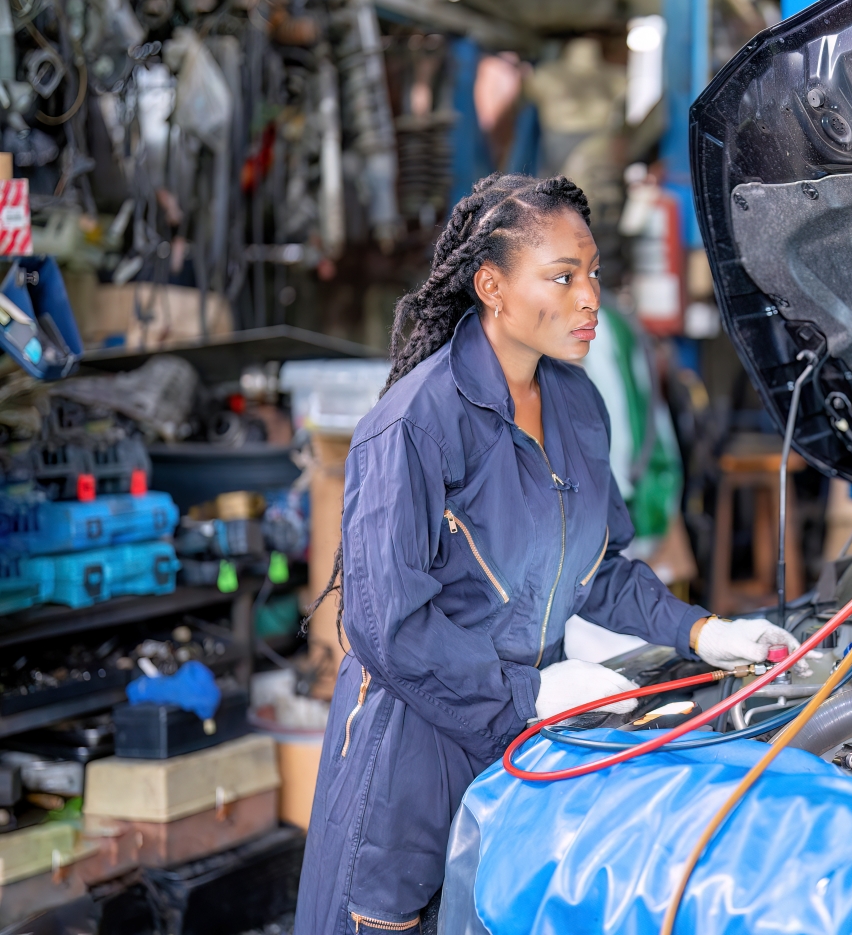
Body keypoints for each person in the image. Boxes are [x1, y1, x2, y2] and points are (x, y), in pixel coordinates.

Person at [294, 174, 804, 935]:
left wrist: (704, 634)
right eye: (562, 277)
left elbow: (595, 567)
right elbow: (384, 625)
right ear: (491, 286)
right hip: (412, 757)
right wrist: (527, 693)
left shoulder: (576, 405)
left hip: (523, 741)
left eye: (593, 272)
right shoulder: (413, 425)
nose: (590, 297)